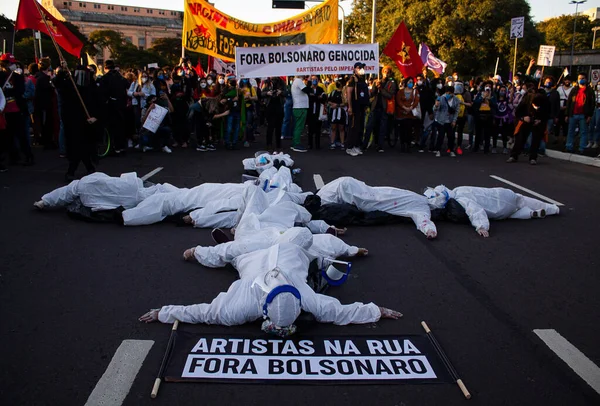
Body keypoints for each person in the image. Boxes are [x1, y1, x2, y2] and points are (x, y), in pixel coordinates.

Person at [139, 242, 402, 336]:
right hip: (279, 245)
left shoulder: (243, 306)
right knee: (311, 243)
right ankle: (200, 251)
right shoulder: (304, 297)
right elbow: (340, 312)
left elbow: (203, 313)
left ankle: (201, 250)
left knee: (232, 250)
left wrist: (165, 312)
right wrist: (376, 310)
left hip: (261, 248)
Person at [317, 177, 438, 239]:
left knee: (365, 196)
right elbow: (424, 220)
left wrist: (429, 230)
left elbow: (424, 221)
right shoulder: (422, 206)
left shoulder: (417, 199)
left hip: (351, 186)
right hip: (362, 195)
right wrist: (429, 231)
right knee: (364, 200)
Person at [424, 185, 560, 238]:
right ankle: (550, 209)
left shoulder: (458, 201)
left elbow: (475, 211)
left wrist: (481, 226)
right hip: (503, 194)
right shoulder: (460, 189)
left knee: (510, 214)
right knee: (523, 200)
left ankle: (529, 214)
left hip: (500, 211)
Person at [53, 64, 98, 181]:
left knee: (81, 147)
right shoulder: (70, 85)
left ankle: (73, 170)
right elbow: (57, 84)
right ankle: (88, 168)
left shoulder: (91, 86)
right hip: (72, 122)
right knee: (77, 147)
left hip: (86, 122)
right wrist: (62, 71)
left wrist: (95, 117)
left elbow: (98, 103)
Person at [508, 91, 549, 165]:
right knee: (520, 139)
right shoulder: (525, 102)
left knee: (536, 140)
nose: (536, 107)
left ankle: (533, 158)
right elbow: (517, 113)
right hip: (525, 121)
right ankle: (514, 155)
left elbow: (547, 115)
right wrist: (523, 118)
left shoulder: (545, 102)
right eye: (534, 105)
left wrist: (540, 120)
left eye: (538, 106)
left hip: (537, 123)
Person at [363, 66, 397, 153]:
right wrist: (375, 87)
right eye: (385, 71)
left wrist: (381, 89)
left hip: (384, 108)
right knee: (369, 126)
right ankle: (364, 144)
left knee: (382, 128)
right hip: (375, 107)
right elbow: (372, 94)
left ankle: (380, 146)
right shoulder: (376, 81)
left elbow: (390, 95)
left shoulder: (391, 83)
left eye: (388, 71)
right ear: (382, 72)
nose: (386, 73)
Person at [99, 60, 129, 154]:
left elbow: (102, 93)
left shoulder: (105, 78)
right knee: (121, 126)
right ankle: (121, 146)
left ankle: (112, 147)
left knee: (111, 128)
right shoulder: (121, 78)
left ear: (105, 68)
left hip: (110, 106)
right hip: (121, 105)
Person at [565, 72, 595, 154]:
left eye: (582, 78)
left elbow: (592, 104)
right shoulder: (574, 90)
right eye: (579, 78)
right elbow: (569, 102)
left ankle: (582, 148)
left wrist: (589, 115)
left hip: (583, 115)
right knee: (571, 131)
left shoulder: (589, 91)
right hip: (573, 114)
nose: (580, 80)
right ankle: (569, 146)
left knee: (583, 132)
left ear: (586, 79)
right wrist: (567, 114)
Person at [345, 63, 370, 157]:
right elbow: (349, 93)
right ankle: (350, 147)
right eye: (359, 68)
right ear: (355, 69)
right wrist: (350, 107)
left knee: (360, 127)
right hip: (354, 107)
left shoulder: (362, 80)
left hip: (361, 107)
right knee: (353, 126)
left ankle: (356, 145)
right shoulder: (352, 80)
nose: (361, 69)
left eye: (362, 68)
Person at [395, 77, 420, 153]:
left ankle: (408, 145)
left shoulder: (415, 92)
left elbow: (416, 101)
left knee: (409, 130)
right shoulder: (400, 92)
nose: (411, 83)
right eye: (409, 82)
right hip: (402, 113)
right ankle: (402, 144)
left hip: (411, 114)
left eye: (412, 82)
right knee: (402, 130)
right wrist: (404, 107)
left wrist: (410, 108)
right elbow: (398, 100)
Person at [432, 85, 459, 157]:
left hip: (450, 121)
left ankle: (451, 150)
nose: (448, 94)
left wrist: (454, 120)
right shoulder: (441, 98)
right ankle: (438, 150)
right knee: (441, 136)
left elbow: (457, 111)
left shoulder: (456, 100)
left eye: (450, 93)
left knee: (451, 137)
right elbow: (435, 109)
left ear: (453, 93)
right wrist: (436, 106)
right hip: (442, 120)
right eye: (447, 93)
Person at [128, 71, 156, 136]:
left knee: (144, 121)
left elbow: (153, 95)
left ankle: (144, 136)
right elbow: (129, 92)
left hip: (144, 105)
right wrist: (134, 93)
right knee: (137, 121)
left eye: (145, 76)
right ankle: (138, 136)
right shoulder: (135, 83)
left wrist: (144, 95)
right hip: (136, 104)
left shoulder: (150, 85)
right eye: (143, 76)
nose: (144, 78)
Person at [472, 81, 497, 153]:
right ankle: (476, 147)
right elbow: (476, 102)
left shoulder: (493, 95)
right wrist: (483, 98)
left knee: (487, 133)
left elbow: (495, 105)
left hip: (488, 115)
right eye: (487, 85)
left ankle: (486, 148)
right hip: (480, 115)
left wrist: (489, 99)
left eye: (489, 86)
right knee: (478, 132)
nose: (488, 87)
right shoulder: (480, 94)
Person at [263, 77, 285, 151]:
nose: (273, 80)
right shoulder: (267, 84)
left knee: (278, 127)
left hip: (279, 107)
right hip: (270, 107)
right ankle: (269, 144)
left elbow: (287, 93)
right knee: (270, 127)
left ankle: (278, 144)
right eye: (272, 79)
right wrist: (267, 93)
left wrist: (280, 92)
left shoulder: (282, 83)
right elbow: (261, 93)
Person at [291, 75, 311, 152]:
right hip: (300, 107)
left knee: (298, 126)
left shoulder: (296, 81)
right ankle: (296, 143)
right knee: (299, 126)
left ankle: (295, 142)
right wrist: (309, 81)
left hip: (299, 107)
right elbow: (306, 90)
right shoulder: (298, 81)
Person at [307, 75, 326, 150]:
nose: (314, 81)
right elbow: (309, 98)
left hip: (318, 111)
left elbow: (323, 98)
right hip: (310, 111)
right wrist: (317, 97)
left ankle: (317, 145)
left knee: (318, 129)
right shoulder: (308, 89)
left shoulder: (320, 89)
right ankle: (310, 144)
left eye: (316, 79)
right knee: (310, 129)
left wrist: (316, 97)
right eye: (313, 79)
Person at [222, 75, 242, 150]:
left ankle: (234, 143)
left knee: (236, 128)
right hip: (229, 111)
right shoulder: (225, 90)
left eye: (234, 80)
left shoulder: (237, 90)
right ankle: (227, 142)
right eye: (232, 80)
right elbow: (223, 100)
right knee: (229, 128)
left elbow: (242, 99)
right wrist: (231, 100)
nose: (233, 81)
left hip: (237, 111)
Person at [493, 85, 512, 154]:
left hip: (504, 119)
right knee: (495, 133)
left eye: (504, 91)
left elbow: (510, 102)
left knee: (504, 134)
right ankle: (494, 147)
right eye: (501, 90)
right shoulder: (495, 99)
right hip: (496, 118)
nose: (502, 92)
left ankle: (505, 147)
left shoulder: (507, 100)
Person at [328, 79, 346, 149]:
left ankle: (342, 143)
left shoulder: (344, 93)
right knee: (333, 128)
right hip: (334, 112)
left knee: (341, 128)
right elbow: (329, 101)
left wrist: (338, 105)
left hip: (341, 112)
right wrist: (333, 104)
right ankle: (332, 143)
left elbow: (345, 103)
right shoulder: (333, 92)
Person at [240, 78, 258, 147]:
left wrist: (250, 97)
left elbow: (256, 98)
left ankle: (247, 139)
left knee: (248, 124)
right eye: (243, 79)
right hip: (241, 108)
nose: (245, 80)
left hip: (249, 107)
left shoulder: (251, 88)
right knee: (242, 123)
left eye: (246, 79)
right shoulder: (239, 89)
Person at [555, 78, 571, 146]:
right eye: (566, 80)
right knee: (557, 123)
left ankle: (565, 139)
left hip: (567, 106)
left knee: (565, 124)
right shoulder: (559, 88)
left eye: (568, 80)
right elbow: (556, 97)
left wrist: (567, 106)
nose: (567, 81)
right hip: (559, 106)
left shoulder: (572, 88)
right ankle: (556, 138)